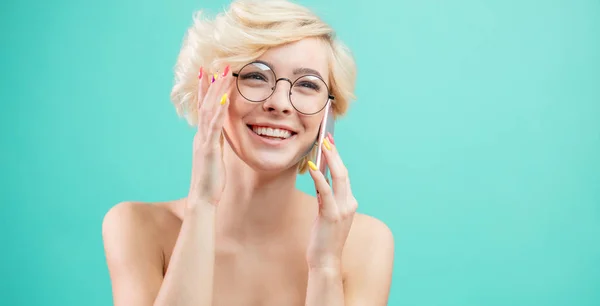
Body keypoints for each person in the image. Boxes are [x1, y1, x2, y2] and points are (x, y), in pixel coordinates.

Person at [101, 0, 394, 305]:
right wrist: (202, 205)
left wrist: (325, 267)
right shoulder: (138, 227)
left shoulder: (365, 242)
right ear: (213, 89)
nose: (280, 102)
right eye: (256, 76)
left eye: (307, 84)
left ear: (328, 113)